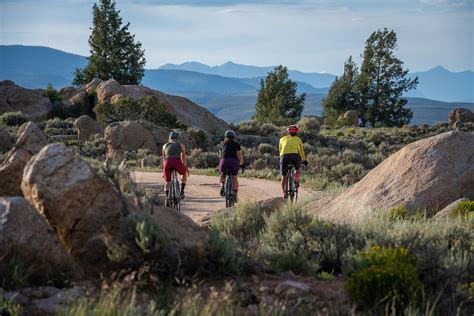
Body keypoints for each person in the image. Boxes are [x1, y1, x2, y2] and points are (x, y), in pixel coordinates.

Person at [279, 125, 307, 198]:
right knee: (297, 169)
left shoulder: (282, 139)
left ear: (288, 132)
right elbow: (301, 151)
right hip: (294, 156)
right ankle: (295, 180)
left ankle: (284, 193)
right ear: (296, 132)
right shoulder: (298, 139)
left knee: (283, 176)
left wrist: (281, 158)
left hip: (284, 156)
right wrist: (304, 160)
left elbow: (280, 150)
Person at [162, 131, 188, 204]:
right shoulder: (181, 145)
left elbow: (163, 159)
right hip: (176, 162)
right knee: (184, 173)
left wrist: (164, 171)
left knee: (167, 182)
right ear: (177, 138)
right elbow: (183, 158)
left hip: (167, 163)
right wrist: (185, 167)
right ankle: (182, 192)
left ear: (170, 138)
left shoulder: (164, 146)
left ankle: (167, 198)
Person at [219, 130, 244, 201]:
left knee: (222, 176)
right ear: (233, 137)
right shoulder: (236, 144)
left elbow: (220, 156)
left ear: (225, 137)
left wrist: (220, 164)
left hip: (224, 161)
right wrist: (241, 163)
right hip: (233, 162)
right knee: (235, 178)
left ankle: (222, 186)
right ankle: (235, 196)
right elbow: (240, 155)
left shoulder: (222, 144)